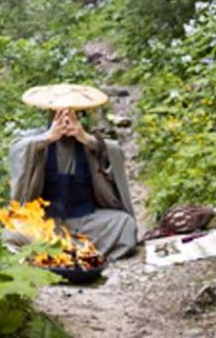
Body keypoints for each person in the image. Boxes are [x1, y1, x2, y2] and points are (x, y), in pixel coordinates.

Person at [8, 92, 139, 261]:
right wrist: (48, 138)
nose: (65, 120)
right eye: (60, 114)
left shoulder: (88, 139)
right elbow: (18, 149)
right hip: (47, 222)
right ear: (51, 115)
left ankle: (69, 255)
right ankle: (66, 254)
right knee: (13, 231)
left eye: (70, 114)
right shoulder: (37, 139)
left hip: (87, 221)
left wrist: (85, 138)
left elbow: (115, 151)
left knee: (125, 224)